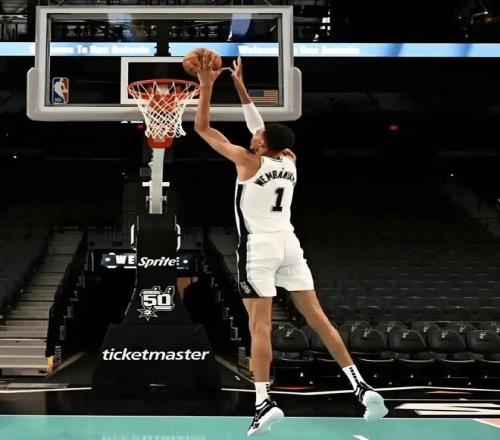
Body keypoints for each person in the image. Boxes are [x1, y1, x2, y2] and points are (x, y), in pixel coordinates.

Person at [194, 53, 388, 436]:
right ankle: (362, 387)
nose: (254, 135)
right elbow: (261, 128)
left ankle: (263, 403)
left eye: (259, 137)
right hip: (289, 244)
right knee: (319, 318)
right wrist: (241, 87)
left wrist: (207, 85)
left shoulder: (247, 162)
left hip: (260, 248)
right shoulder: (289, 159)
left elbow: (203, 128)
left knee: (259, 326)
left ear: (263, 144)